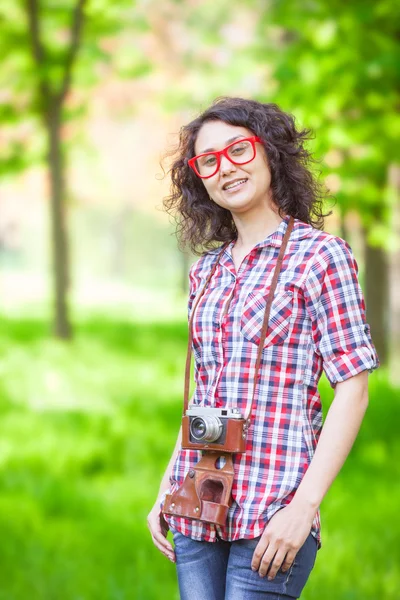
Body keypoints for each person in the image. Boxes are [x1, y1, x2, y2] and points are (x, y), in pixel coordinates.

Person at [147, 97, 380, 600]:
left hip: (274, 511)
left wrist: (304, 508)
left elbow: (353, 391)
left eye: (238, 149)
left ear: (270, 152)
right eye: (208, 160)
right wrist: (168, 485)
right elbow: (202, 395)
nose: (225, 167)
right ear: (199, 178)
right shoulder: (205, 272)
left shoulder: (322, 257)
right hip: (198, 505)